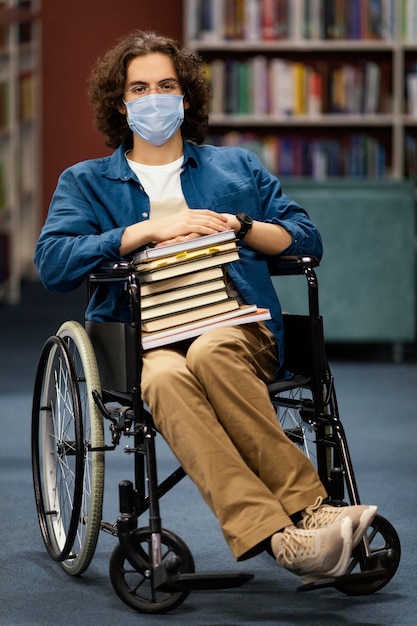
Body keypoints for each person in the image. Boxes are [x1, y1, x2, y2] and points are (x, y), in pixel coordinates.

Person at [34, 30, 377, 584]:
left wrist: (241, 226)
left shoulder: (235, 168)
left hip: (238, 329)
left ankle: (304, 511)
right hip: (146, 342)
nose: (154, 98)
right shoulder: (87, 182)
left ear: (186, 96)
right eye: (139, 88)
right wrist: (146, 231)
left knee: (214, 349)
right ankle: (286, 534)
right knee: (167, 380)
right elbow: (52, 263)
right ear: (121, 103)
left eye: (166, 85)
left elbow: (306, 238)